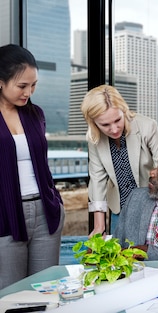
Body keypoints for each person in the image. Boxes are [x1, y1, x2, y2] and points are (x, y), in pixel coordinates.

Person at [0, 44, 65, 289]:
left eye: (33, 84)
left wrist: (55, 200)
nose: (29, 92)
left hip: (45, 211)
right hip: (5, 214)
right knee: (10, 293)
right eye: (22, 86)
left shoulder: (35, 114)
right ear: (1, 82)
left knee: (47, 290)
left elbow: (42, 165)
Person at [81, 84, 158, 237]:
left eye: (117, 120)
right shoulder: (94, 139)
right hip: (120, 211)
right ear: (93, 123)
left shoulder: (148, 127)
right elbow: (97, 180)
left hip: (153, 206)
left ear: (124, 110)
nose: (114, 129)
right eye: (105, 125)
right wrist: (99, 225)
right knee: (118, 255)